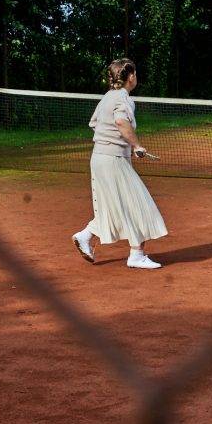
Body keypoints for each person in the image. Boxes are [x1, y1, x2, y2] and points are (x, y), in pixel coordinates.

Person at [72, 59, 168, 269]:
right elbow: (121, 122)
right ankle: (136, 255)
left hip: (100, 158)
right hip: (112, 160)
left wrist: (115, 143)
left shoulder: (108, 97)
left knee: (114, 208)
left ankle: (85, 236)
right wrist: (136, 145)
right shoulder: (123, 98)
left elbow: (94, 123)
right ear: (130, 76)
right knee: (140, 205)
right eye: (135, 74)